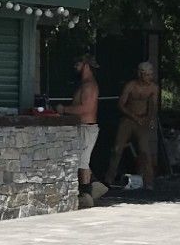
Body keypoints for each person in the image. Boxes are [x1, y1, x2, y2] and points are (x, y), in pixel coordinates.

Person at [105, 62, 160, 188]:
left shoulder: (153, 88)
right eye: (147, 75)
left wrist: (150, 119)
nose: (150, 77)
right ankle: (109, 178)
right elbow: (121, 104)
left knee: (145, 150)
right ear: (141, 74)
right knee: (117, 148)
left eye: (151, 75)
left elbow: (153, 106)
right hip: (128, 119)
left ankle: (149, 182)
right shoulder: (131, 86)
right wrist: (134, 117)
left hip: (142, 120)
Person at [63, 55, 104, 202]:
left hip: (87, 128)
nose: (75, 65)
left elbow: (86, 108)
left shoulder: (89, 85)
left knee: (82, 161)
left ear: (86, 65)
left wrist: (64, 109)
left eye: (77, 63)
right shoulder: (84, 84)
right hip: (83, 127)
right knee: (81, 159)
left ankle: (86, 195)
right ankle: (96, 185)